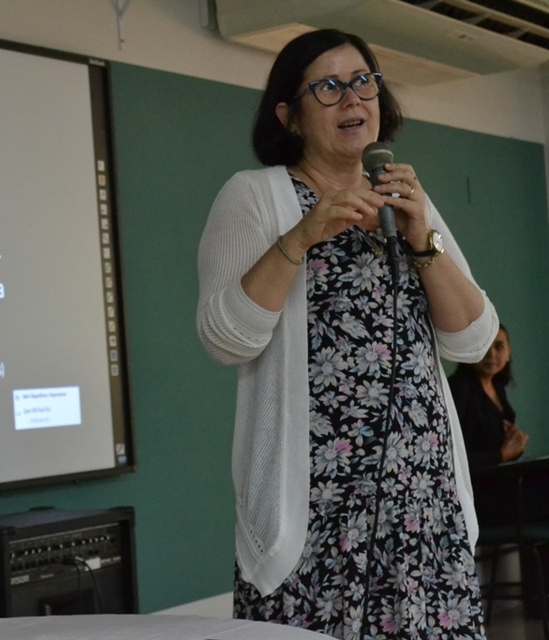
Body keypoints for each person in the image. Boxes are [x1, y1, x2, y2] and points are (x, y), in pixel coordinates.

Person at [196, 29, 500, 639]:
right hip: (315, 511)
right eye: (329, 87)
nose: (353, 100)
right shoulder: (255, 197)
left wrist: (424, 241)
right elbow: (225, 338)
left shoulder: (407, 197)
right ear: (289, 115)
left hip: (422, 502)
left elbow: (474, 341)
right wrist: (302, 237)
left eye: (364, 81)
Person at [448, 325, 527, 469]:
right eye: (483, 346)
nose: (491, 354)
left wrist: (515, 441)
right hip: (475, 486)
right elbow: (449, 456)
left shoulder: (498, 386)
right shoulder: (458, 387)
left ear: (509, 352)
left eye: (499, 346)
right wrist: (502, 455)